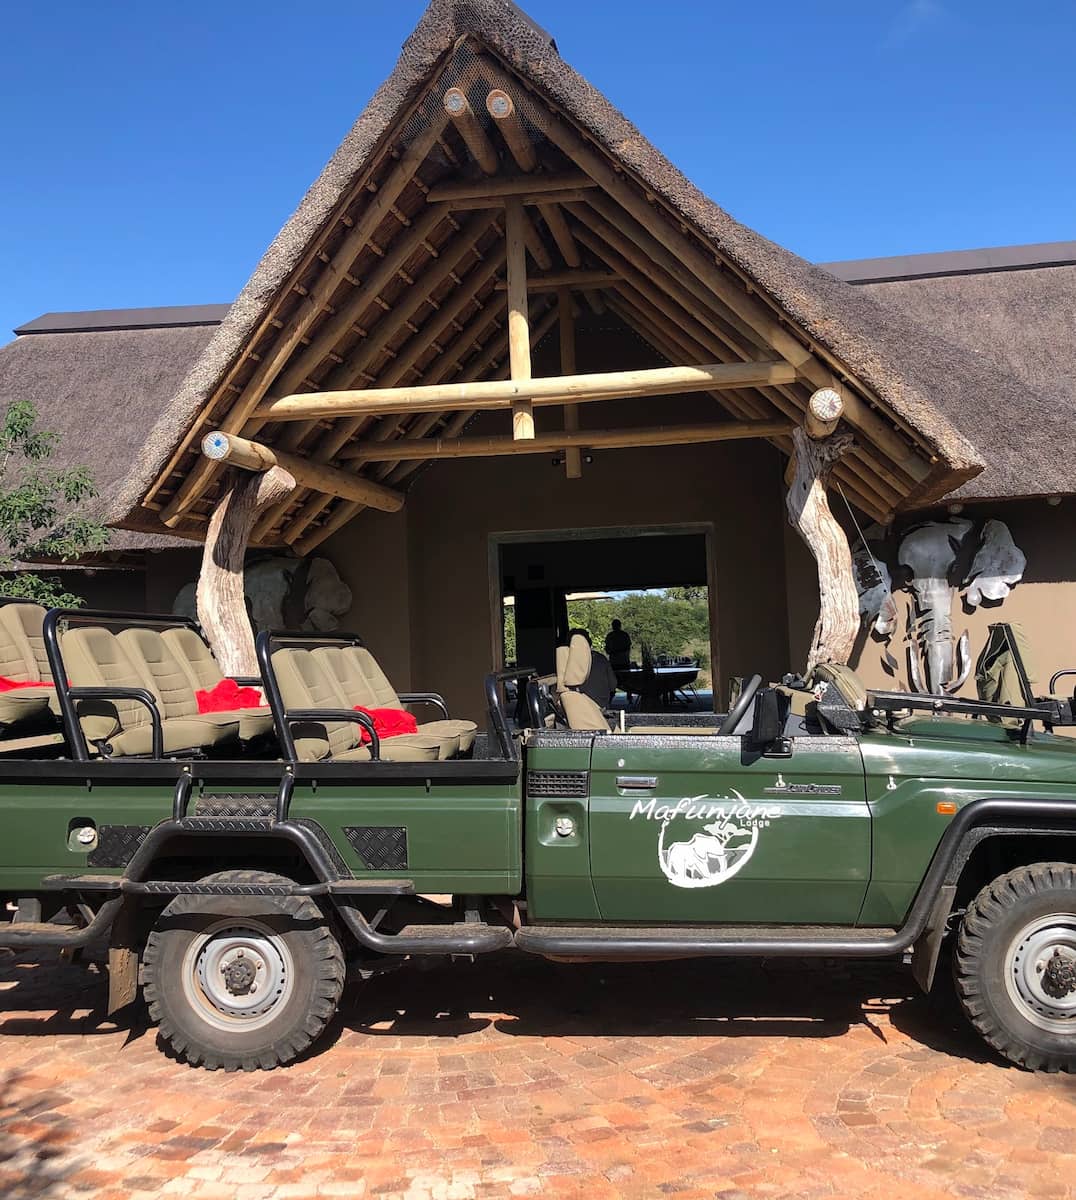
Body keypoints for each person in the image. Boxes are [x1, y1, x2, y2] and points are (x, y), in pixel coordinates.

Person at [569, 628, 618, 707]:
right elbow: (613, 685)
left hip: (579, 706)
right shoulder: (601, 659)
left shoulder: (568, 661)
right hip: (601, 705)